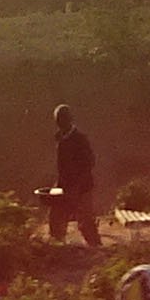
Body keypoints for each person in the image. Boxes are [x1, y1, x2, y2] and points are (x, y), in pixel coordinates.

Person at [47, 102, 102, 248]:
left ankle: (97, 249)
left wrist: (77, 186)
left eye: (62, 119)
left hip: (82, 187)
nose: (59, 123)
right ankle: (58, 248)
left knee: (85, 221)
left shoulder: (80, 139)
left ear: (69, 119)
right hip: (65, 185)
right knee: (56, 217)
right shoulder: (61, 138)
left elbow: (89, 163)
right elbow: (62, 167)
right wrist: (59, 185)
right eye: (58, 120)